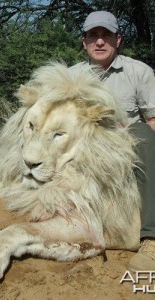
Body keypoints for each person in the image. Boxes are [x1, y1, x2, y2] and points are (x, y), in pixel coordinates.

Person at [77, 11, 155, 271]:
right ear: (84, 42)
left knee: (144, 135)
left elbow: (152, 120)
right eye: (93, 36)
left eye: (106, 35)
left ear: (118, 40)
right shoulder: (70, 76)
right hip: (84, 147)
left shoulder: (140, 72)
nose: (100, 42)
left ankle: (152, 239)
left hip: (126, 147)